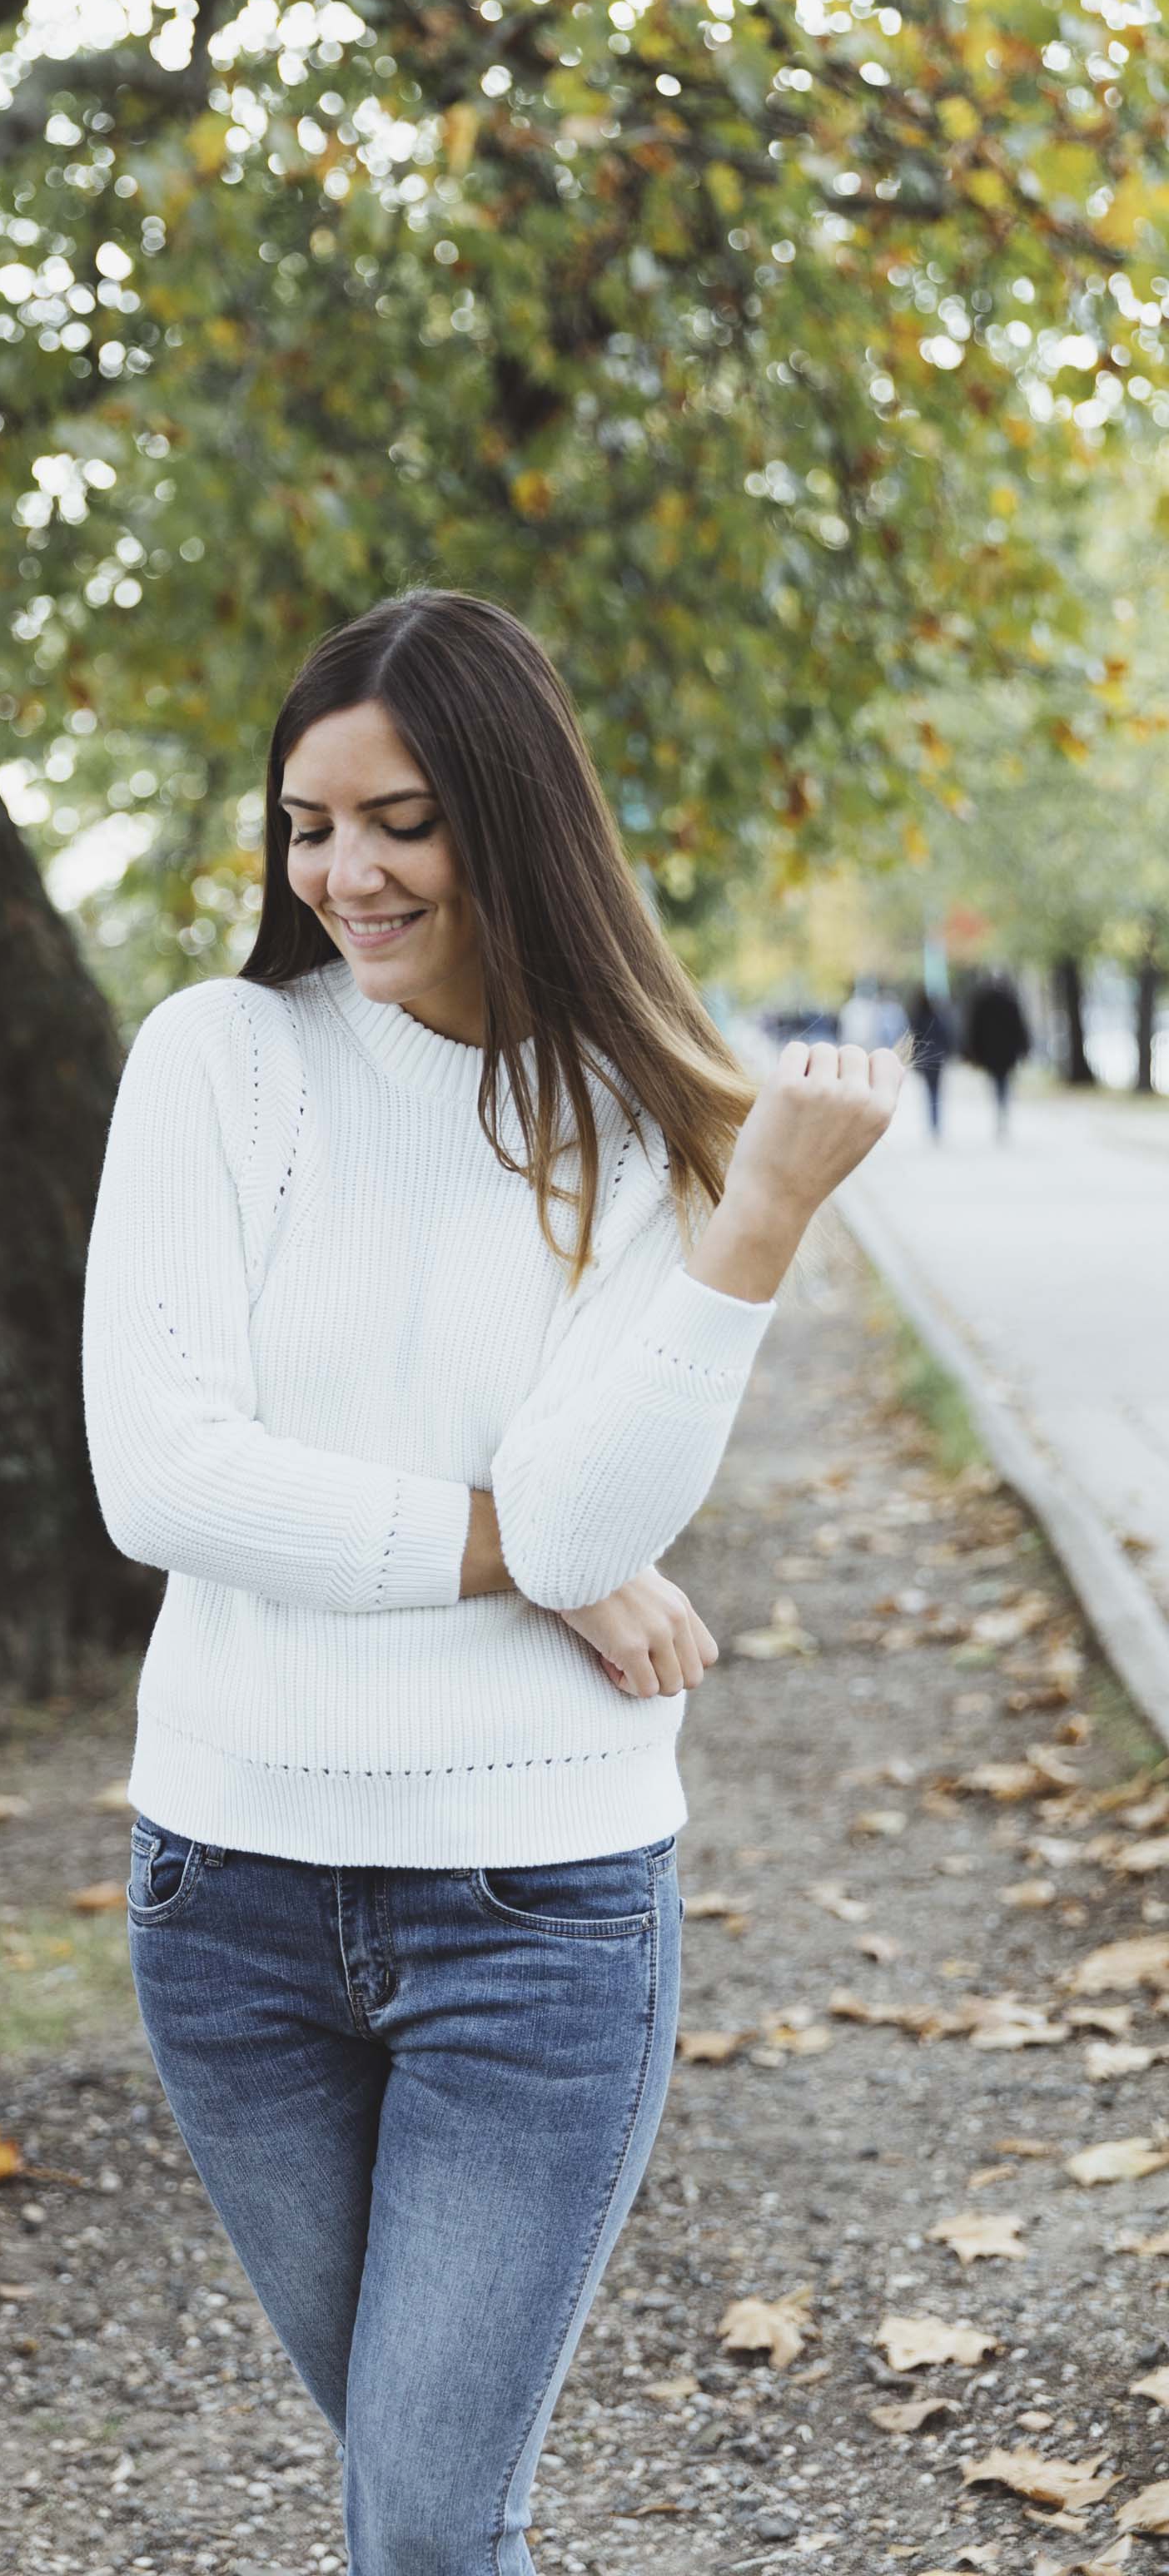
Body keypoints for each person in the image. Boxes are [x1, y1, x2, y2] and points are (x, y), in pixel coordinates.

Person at [80, 588, 902, 2576]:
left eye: (405, 821)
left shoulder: (652, 1128)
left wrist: (760, 1222)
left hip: (537, 1917)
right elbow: (159, 1477)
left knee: (433, 2526)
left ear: (513, 819)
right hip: (227, 1893)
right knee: (412, 2509)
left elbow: (592, 1513)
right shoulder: (219, 1060)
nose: (345, 872)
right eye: (308, 823)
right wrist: (509, 1559)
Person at [961, 969, 1031, 1141]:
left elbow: (974, 1030)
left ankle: (1000, 1108)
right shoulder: (1009, 1001)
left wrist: (972, 1052)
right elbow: (1020, 1028)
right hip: (1006, 1052)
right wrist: (1024, 1048)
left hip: (990, 1052)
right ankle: (1002, 1109)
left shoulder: (982, 1002)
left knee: (997, 1081)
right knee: (1003, 1081)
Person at [906, 984, 956, 1139]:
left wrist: (913, 1057)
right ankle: (936, 1123)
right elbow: (946, 1036)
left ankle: (933, 1123)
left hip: (925, 1058)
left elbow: (914, 1040)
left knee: (929, 1090)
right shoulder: (937, 1017)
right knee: (936, 1091)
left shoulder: (917, 1019)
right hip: (937, 1058)